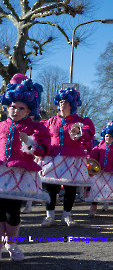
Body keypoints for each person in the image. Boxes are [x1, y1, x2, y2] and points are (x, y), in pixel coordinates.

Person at [0, 74, 51, 260]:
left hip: (20, 175)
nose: (16, 110)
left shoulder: (36, 128)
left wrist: (28, 142)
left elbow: (42, 151)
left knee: (12, 213)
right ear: (7, 107)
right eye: (12, 106)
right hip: (0, 173)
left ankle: (11, 244)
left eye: (21, 108)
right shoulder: (0, 126)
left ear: (29, 110)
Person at [39, 88, 95, 227]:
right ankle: (49, 216)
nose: (62, 104)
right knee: (51, 188)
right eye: (60, 101)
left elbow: (88, 132)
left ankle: (67, 215)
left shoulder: (80, 120)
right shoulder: (51, 121)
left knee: (70, 189)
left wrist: (80, 131)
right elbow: (41, 134)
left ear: (72, 104)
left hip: (72, 157)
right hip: (53, 156)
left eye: (66, 102)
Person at [87, 123, 113, 218]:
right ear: (104, 136)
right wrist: (92, 168)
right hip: (100, 173)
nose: (108, 138)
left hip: (112, 173)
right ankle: (93, 210)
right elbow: (93, 159)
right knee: (96, 190)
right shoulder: (99, 148)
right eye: (107, 136)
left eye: (111, 136)